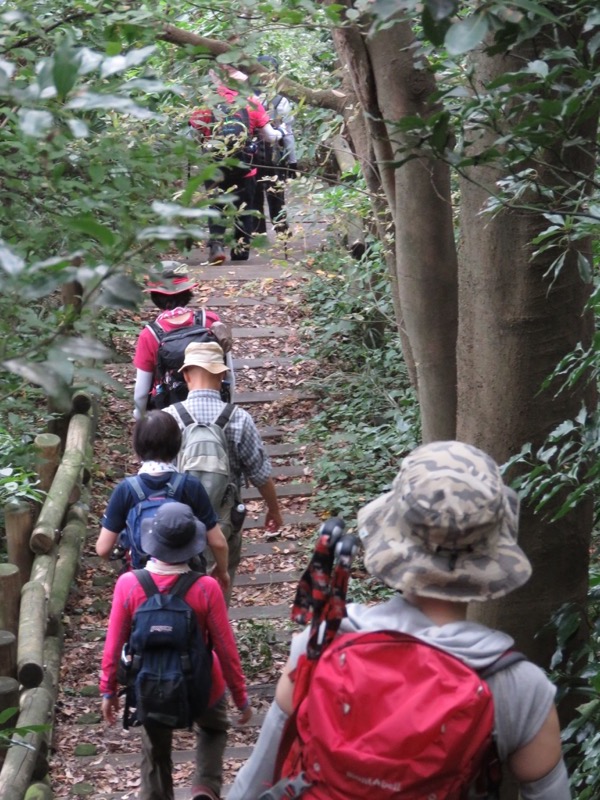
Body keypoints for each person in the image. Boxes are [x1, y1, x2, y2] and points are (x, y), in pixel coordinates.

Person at [229, 440, 571, 800]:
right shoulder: (520, 688)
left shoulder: (318, 647)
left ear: (391, 535)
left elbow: (253, 783)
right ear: (494, 548)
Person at [100, 501, 253, 800]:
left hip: (151, 685)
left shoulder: (129, 584)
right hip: (202, 685)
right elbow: (225, 647)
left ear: (152, 541)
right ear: (193, 546)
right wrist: (240, 696)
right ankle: (205, 788)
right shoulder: (207, 587)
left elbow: (113, 643)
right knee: (214, 729)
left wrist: (108, 690)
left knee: (155, 751)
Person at [165, 341, 283, 601]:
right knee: (219, 582)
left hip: (175, 520)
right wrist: (273, 510)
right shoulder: (239, 418)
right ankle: (214, 634)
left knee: (176, 586)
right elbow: (260, 474)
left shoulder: (168, 418)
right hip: (223, 521)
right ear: (222, 375)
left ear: (186, 375)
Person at [96, 410, 230, 595]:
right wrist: (222, 571)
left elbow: (103, 548)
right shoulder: (190, 486)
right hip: (187, 586)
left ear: (137, 448)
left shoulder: (126, 489)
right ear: (177, 446)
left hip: (141, 587)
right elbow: (218, 542)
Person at [189, 67, 287, 265]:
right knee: (245, 205)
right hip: (244, 165)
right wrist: (282, 132)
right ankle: (241, 247)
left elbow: (193, 135)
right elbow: (269, 137)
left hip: (213, 165)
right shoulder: (252, 103)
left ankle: (216, 244)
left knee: (215, 204)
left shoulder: (206, 103)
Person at [132, 260, 234, 420]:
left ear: (155, 296)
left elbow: (141, 393)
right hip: (213, 411)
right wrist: (228, 404)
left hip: (168, 417)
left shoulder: (150, 334)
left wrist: (139, 419)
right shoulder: (209, 321)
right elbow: (228, 374)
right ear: (187, 291)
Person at [252, 55, 298, 236]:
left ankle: (257, 231)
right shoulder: (281, 100)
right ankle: (281, 228)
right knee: (276, 193)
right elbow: (288, 133)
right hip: (275, 155)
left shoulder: (244, 98)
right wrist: (292, 161)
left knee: (254, 192)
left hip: (251, 154)